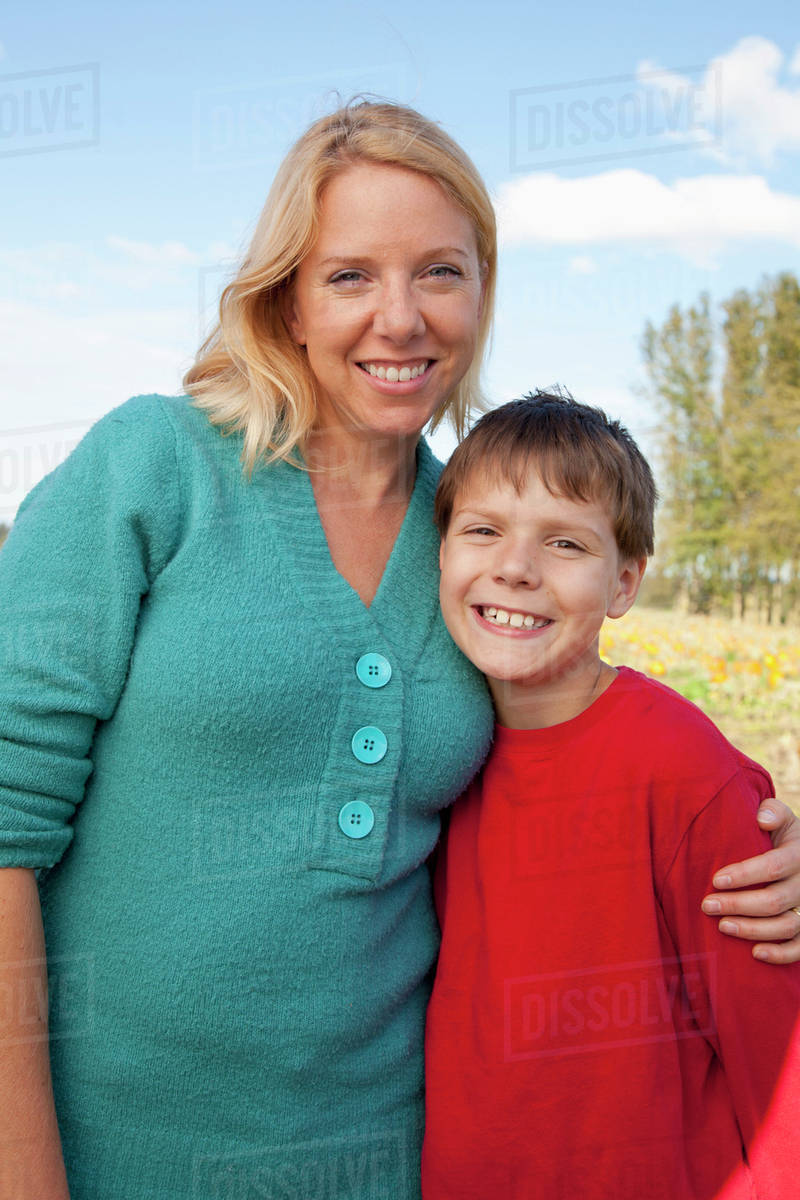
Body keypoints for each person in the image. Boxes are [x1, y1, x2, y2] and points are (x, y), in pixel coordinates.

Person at [0, 102, 798, 1200]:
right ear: (285, 298)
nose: (399, 318)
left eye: (438, 272)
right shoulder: (154, 469)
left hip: (386, 1159)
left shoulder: (470, 544)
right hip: (108, 1156)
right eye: (348, 277)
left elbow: (572, 738)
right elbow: (7, 820)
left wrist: (738, 827)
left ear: (479, 292)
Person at [423, 391, 800, 1199]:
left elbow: (780, 1074)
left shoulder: (688, 773)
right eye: (483, 530)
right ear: (440, 551)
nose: (516, 567)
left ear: (625, 581)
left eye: (564, 542)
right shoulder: (434, 755)